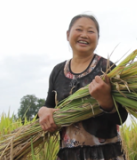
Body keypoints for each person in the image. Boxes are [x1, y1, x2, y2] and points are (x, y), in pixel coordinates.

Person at [37, 14, 128, 160]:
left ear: (98, 38)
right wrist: (42, 111)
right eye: (79, 29)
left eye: (91, 31)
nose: (84, 35)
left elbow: (121, 117)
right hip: (68, 155)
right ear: (68, 35)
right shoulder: (58, 71)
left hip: (105, 154)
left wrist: (106, 100)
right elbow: (49, 107)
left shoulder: (108, 69)